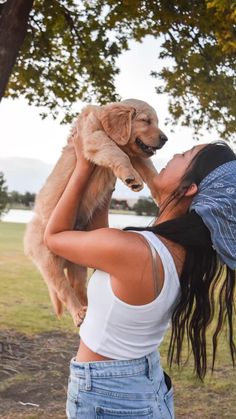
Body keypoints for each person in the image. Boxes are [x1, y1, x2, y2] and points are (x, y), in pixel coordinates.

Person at [44, 140, 236, 419]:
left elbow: (55, 237)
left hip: (108, 392)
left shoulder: (138, 251)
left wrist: (84, 166)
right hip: (139, 384)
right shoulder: (179, 251)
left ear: (189, 188)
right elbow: (102, 247)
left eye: (185, 155)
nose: (174, 154)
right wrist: (106, 174)